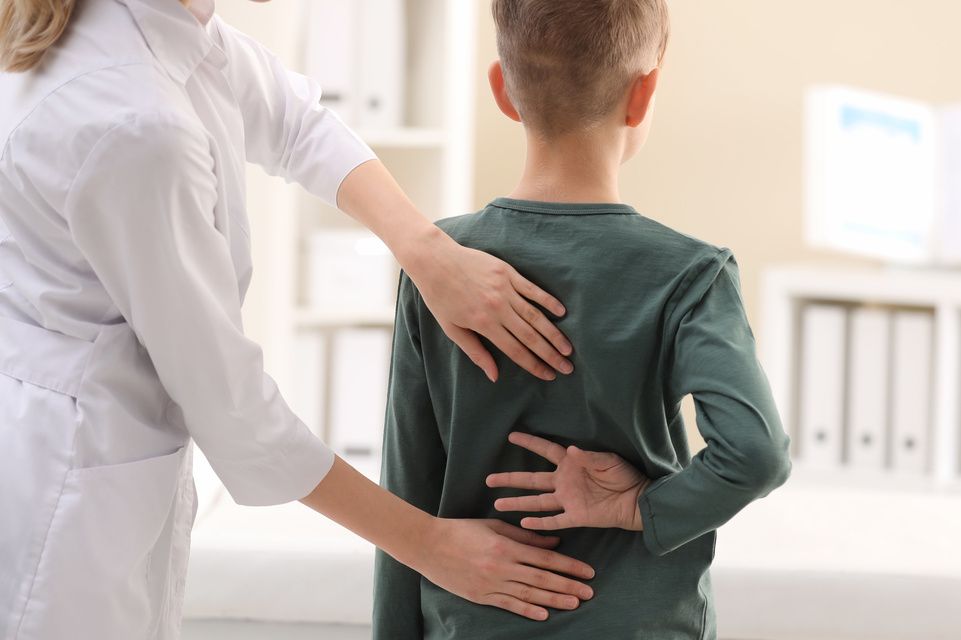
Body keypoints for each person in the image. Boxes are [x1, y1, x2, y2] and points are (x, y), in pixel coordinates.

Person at [0, 0, 602, 638]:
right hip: (62, 504)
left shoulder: (161, 23)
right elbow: (234, 413)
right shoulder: (135, 124)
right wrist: (429, 546)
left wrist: (427, 253)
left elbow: (291, 119)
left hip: (91, 459)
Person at [373, 0, 793, 638]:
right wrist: (637, 507)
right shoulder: (691, 273)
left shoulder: (437, 265)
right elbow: (756, 454)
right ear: (643, 94)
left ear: (503, 90)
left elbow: (408, 489)